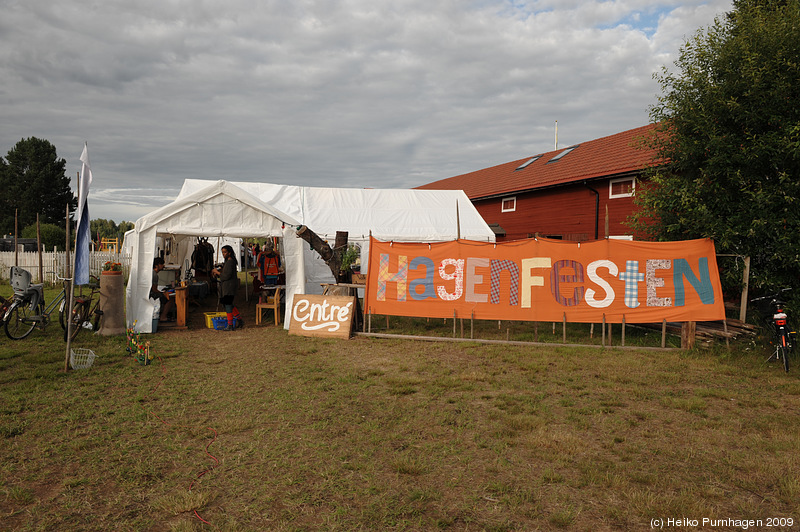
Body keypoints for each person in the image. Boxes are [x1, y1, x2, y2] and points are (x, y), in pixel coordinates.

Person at [211, 244, 243, 331]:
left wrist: (217, 272)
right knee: (229, 304)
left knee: (228, 305)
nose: (223, 254)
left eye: (225, 252)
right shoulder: (229, 262)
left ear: (229, 252)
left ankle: (230, 324)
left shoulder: (230, 262)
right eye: (222, 252)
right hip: (228, 286)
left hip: (229, 287)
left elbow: (226, 276)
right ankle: (239, 320)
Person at [151, 257, 176, 322]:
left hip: (150, 292)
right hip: (151, 294)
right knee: (170, 299)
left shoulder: (152, 273)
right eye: (162, 264)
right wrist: (162, 293)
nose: (163, 266)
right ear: (157, 265)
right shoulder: (154, 275)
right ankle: (163, 316)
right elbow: (154, 289)